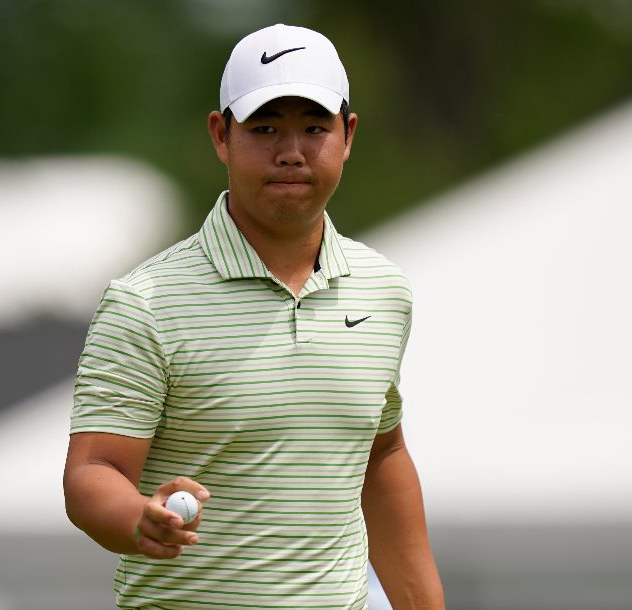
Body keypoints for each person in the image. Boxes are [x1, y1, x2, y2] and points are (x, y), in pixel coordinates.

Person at [63, 23, 445, 609]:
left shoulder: (383, 292)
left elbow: (380, 455)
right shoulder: (144, 303)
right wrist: (136, 517)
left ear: (348, 135)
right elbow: (93, 471)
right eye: (265, 128)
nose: (290, 151)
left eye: (313, 128)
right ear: (222, 135)